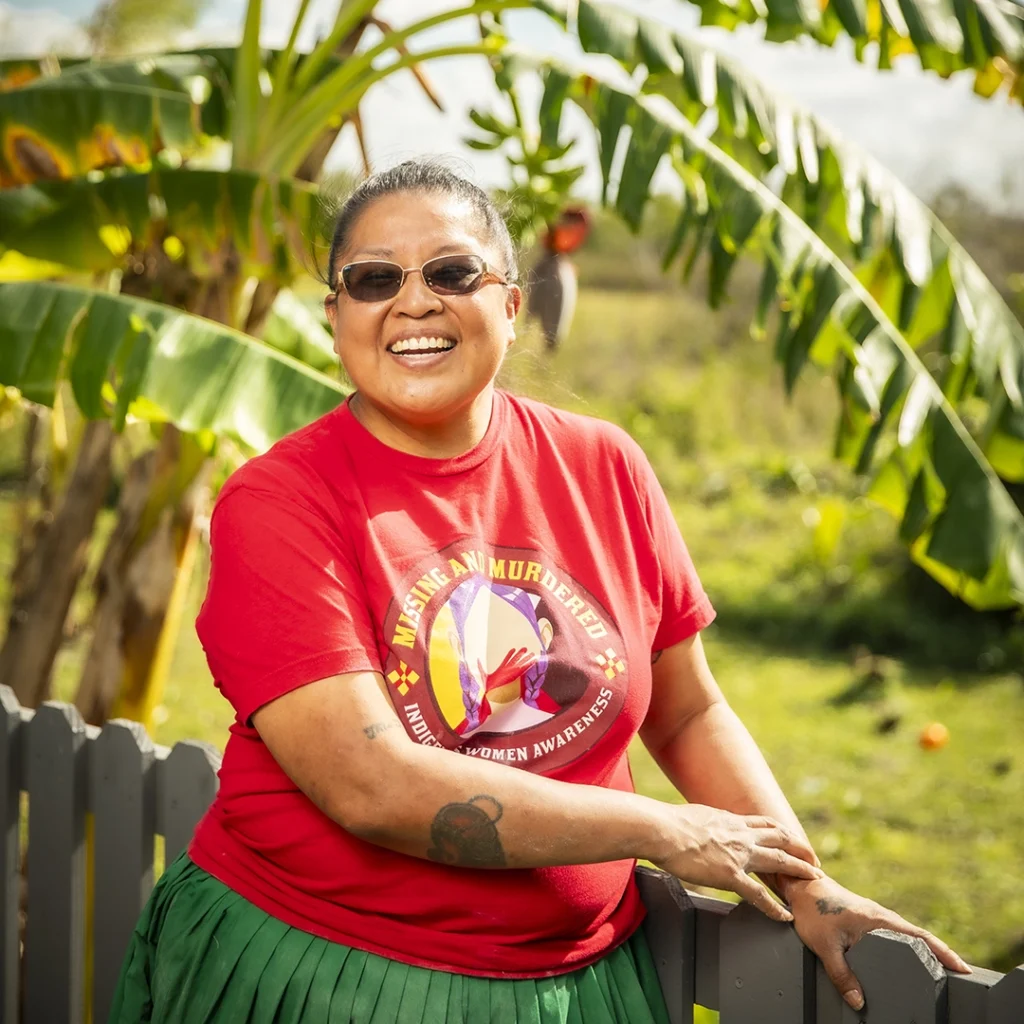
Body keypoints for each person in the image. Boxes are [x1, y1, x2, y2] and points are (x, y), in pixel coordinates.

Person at [110, 159, 969, 1023]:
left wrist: (804, 879)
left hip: (580, 982)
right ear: (337, 319)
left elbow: (687, 712)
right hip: (322, 968)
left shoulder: (605, 466)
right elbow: (369, 783)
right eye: (373, 281)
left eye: (452, 273)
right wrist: (658, 831)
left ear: (512, 307)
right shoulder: (281, 500)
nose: (414, 303)